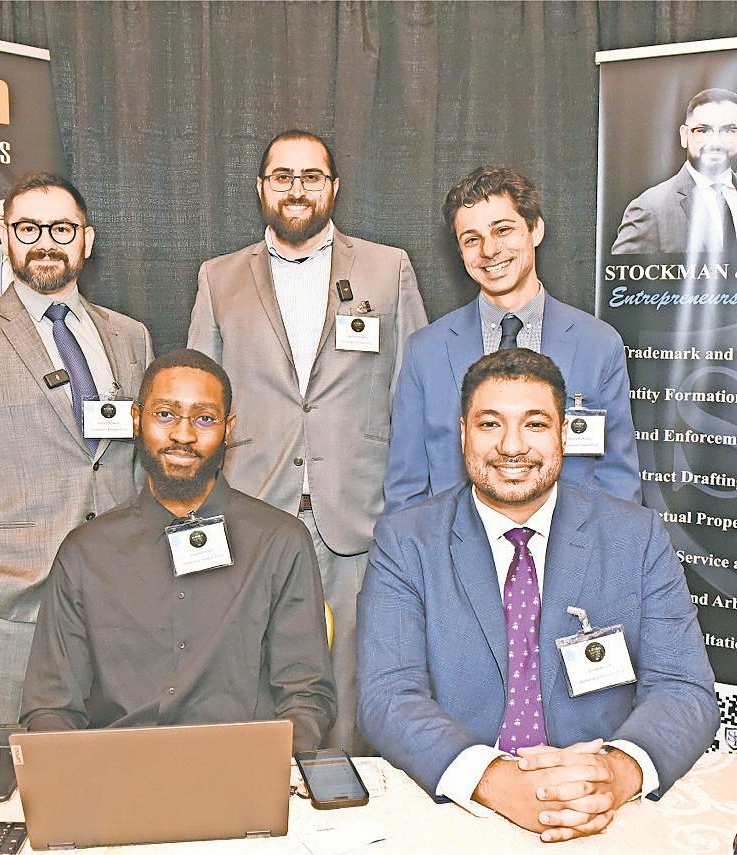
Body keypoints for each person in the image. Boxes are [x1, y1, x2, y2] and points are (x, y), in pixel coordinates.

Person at [358, 348, 718, 843]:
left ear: (563, 434)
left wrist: (615, 775)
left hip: (599, 807)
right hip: (461, 807)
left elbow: (683, 688)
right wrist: (493, 780)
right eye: (490, 424)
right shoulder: (407, 542)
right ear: (462, 434)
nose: (512, 446)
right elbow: (388, 695)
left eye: (535, 424)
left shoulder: (636, 537)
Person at [187, 129, 427, 752]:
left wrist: (408, 512)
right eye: (283, 176)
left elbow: (413, 397)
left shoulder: (388, 269)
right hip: (252, 512)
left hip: (356, 516)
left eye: (312, 177)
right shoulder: (219, 277)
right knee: (249, 672)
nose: (297, 189)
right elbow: (198, 407)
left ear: (334, 187)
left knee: (353, 680)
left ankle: (344, 794)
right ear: (262, 187)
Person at [0, 172, 153, 753]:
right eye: (28, 229)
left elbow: (139, 465)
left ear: (87, 240)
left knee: (115, 771)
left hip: (119, 605)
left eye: (62, 229)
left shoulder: (130, 338)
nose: (46, 242)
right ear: (4, 236)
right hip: (7, 609)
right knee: (10, 777)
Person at [21, 349, 337, 751]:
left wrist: (268, 765)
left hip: (241, 767)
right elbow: (51, 706)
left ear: (228, 429)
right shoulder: (85, 553)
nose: (183, 435)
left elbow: (306, 696)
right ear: (136, 420)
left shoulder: (279, 542)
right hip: (119, 769)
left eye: (204, 418)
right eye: (165, 414)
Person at [385, 166, 639, 513]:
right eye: (472, 239)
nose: (490, 250)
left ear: (535, 229)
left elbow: (619, 483)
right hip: (453, 543)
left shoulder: (598, 344)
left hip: (570, 543)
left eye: (502, 230)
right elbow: (406, 489)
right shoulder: (426, 351)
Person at [612, 88, 737, 255]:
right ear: (684, 136)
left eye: (728, 130)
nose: (715, 142)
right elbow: (623, 271)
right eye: (703, 130)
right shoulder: (649, 208)